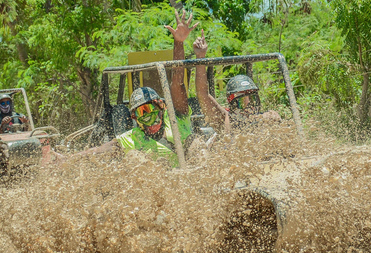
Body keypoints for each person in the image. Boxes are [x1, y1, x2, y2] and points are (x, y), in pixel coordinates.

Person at [83, 10, 196, 165]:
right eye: (142, 112)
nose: (148, 117)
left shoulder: (177, 119)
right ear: (135, 117)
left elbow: (177, 82)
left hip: (192, 175)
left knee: (196, 142)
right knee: (132, 157)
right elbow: (98, 151)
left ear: (161, 106)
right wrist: (67, 159)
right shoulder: (133, 138)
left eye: (150, 108)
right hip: (160, 182)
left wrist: (178, 42)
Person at [192, 30, 280, 132]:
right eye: (241, 103)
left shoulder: (263, 118)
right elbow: (202, 93)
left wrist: (269, 118)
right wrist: (200, 57)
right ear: (232, 104)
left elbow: (275, 118)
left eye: (252, 101)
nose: (249, 109)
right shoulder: (223, 119)